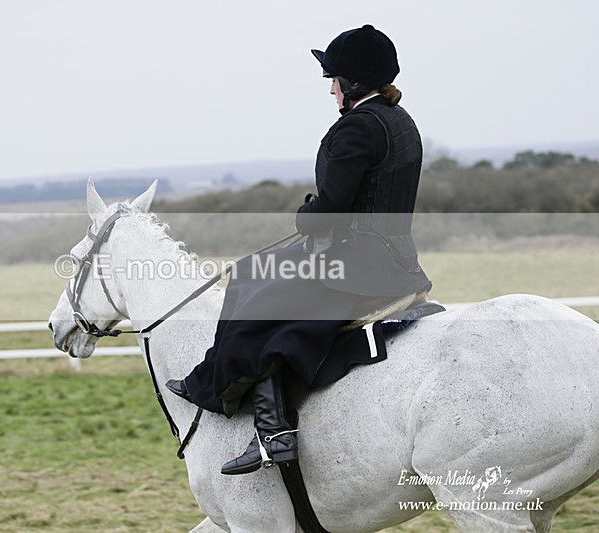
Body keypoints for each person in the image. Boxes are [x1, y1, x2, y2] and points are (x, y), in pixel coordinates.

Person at [166, 24, 432, 475]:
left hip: (357, 264)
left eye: (334, 80)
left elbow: (332, 209)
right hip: (395, 258)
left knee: (259, 307)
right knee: (252, 271)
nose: (330, 89)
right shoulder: (399, 120)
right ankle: (209, 379)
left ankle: (273, 433)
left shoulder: (356, 130)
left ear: (353, 83)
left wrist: (304, 215)